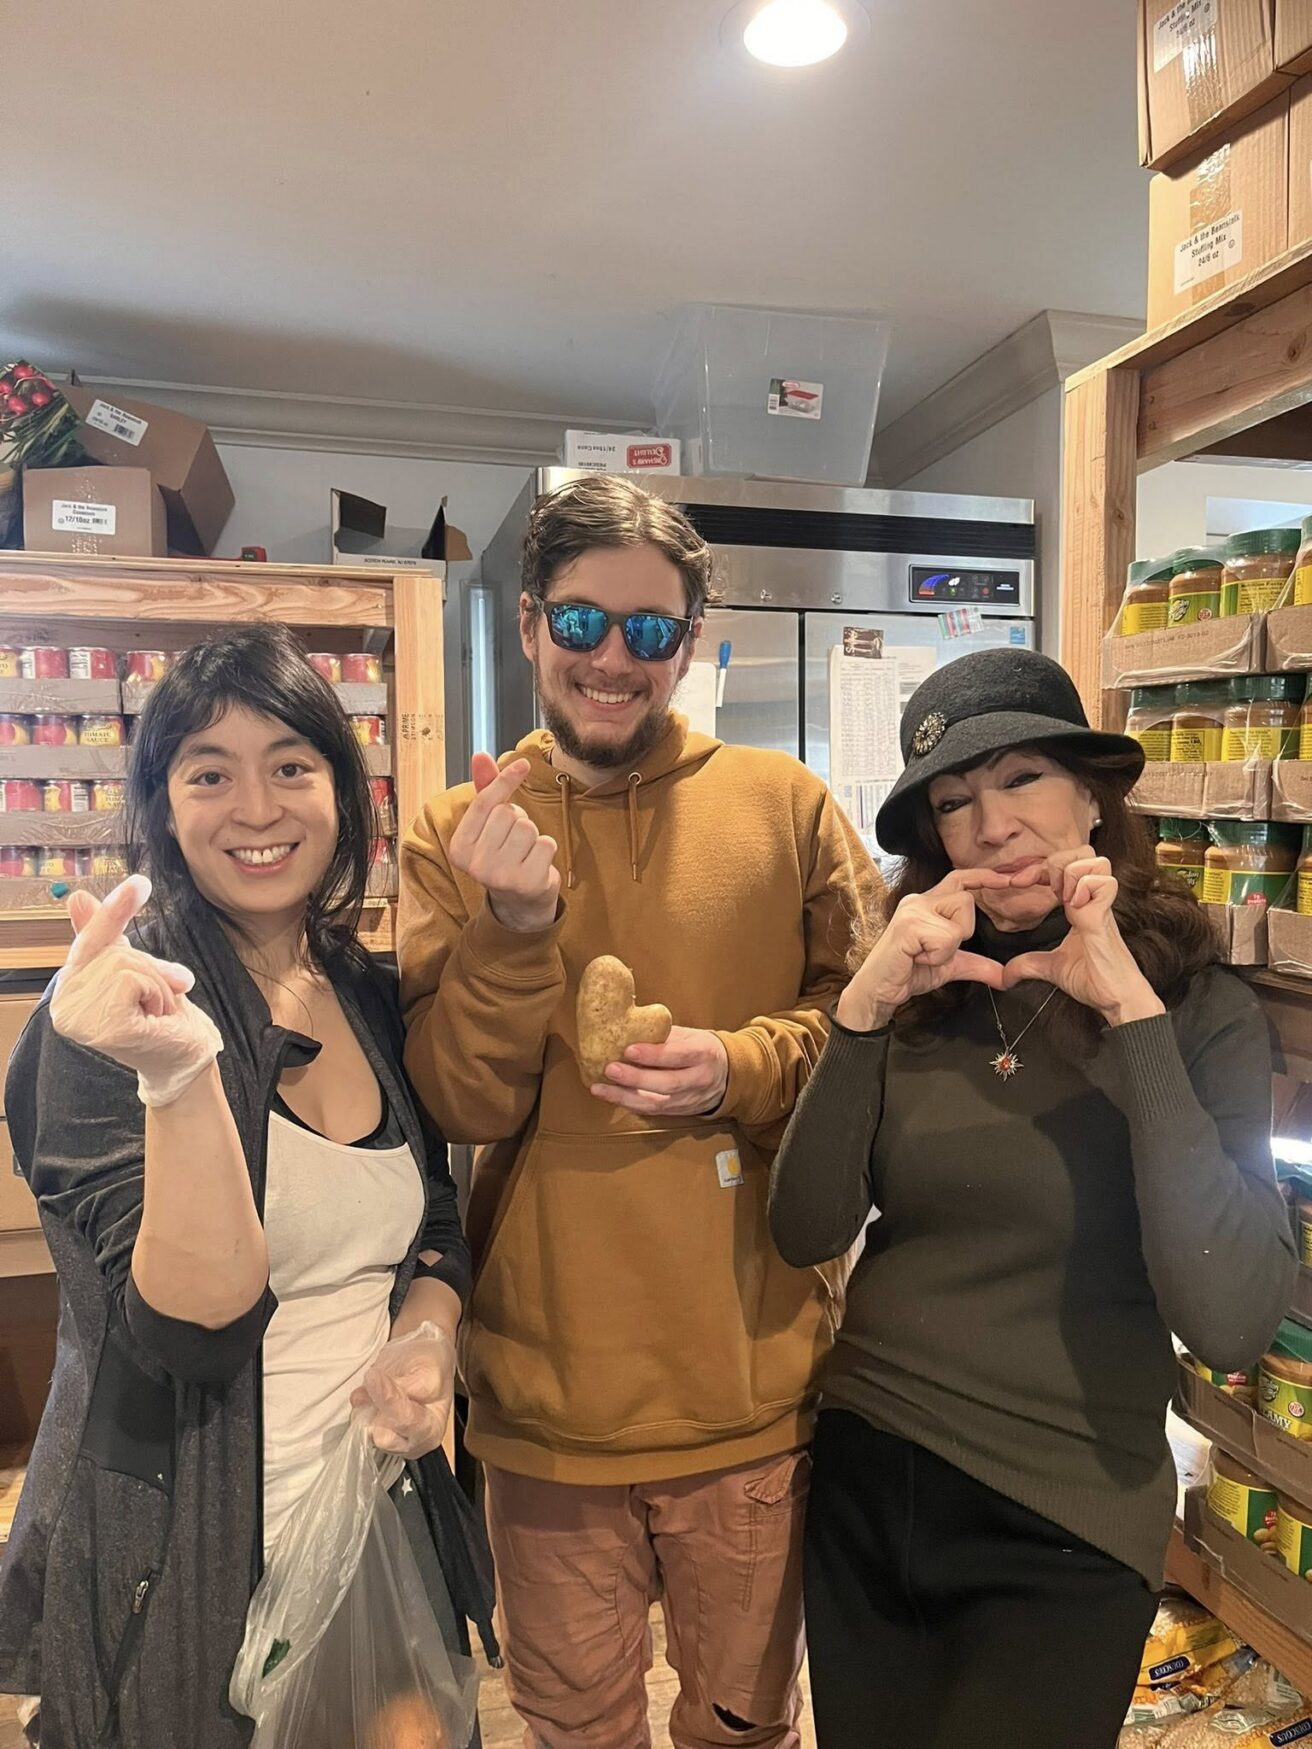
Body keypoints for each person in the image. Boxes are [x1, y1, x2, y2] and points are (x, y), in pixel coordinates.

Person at [399, 473, 880, 1749]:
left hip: (748, 1385)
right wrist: (513, 930)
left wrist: (742, 1067)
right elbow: (455, 1097)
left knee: (744, 1729)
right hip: (545, 1405)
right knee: (576, 1729)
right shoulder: (458, 832)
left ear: (693, 642)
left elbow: (870, 1032)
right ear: (527, 624)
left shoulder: (786, 809)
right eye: (581, 623)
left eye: (651, 632)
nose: (614, 660)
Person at [767, 647, 1299, 1749]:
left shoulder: (1194, 1008)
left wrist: (1131, 1016)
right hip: (872, 1474)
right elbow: (805, 1229)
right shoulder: (920, 994)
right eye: (952, 802)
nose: (989, 825)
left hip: (1066, 1510)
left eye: (1018, 779)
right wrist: (860, 1012)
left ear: (1091, 796)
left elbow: (1229, 1316)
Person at [0, 624, 490, 1749]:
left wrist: (427, 1335)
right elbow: (193, 1327)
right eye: (209, 773)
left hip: (373, 1526)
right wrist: (180, 1078)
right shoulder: (110, 1020)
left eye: (291, 767)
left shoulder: (365, 991)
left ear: (341, 791)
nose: (257, 809)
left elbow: (432, 1223)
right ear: (164, 806)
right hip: (181, 1553)